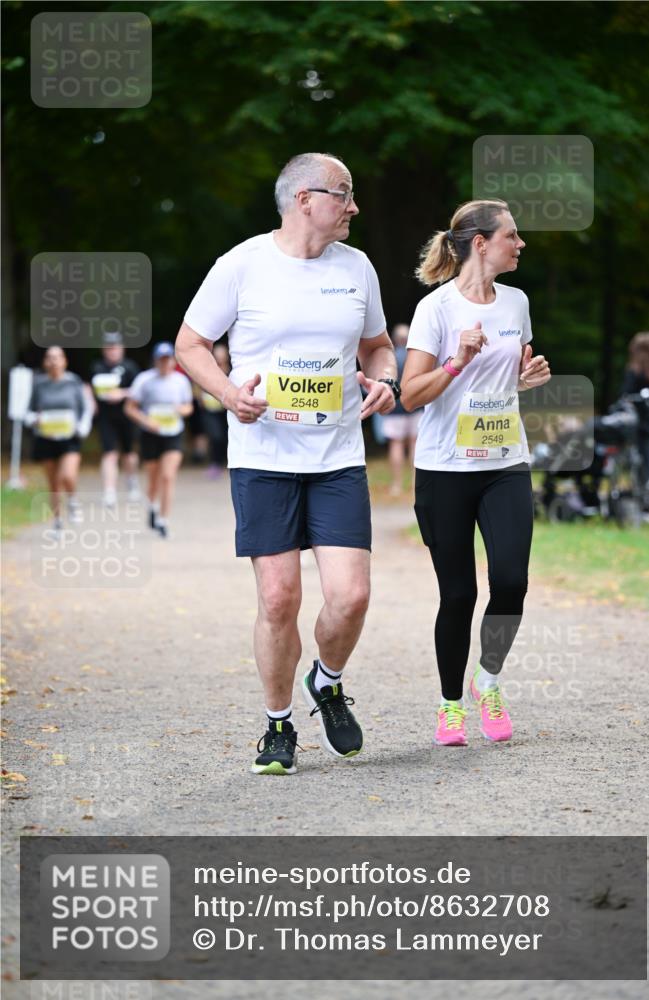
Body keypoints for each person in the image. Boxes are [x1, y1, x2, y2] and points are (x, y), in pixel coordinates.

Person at [175, 151, 398, 775]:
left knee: (350, 597)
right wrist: (226, 393)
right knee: (278, 599)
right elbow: (189, 344)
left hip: (337, 457)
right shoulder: (241, 265)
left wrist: (386, 379)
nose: (353, 206)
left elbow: (378, 347)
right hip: (262, 456)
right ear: (304, 198)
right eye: (343, 193)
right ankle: (277, 728)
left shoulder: (357, 268)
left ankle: (325, 681)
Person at [401, 199, 551, 748]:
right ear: (481, 244)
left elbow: (511, 373)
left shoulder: (516, 302)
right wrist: (455, 361)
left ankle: (487, 681)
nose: (521, 243)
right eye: (513, 235)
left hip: (505, 461)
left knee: (511, 579)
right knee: (459, 594)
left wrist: (527, 376)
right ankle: (450, 705)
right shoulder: (435, 309)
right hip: (445, 469)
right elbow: (411, 394)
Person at [124, 342, 193, 539]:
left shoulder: (181, 381)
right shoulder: (144, 380)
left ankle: (163, 520)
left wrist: (182, 410)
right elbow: (129, 408)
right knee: (153, 478)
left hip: (173, 433)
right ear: (155, 361)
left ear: (173, 360)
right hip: (150, 434)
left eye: (168, 359)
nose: (164, 363)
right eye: (161, 360)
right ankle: (152, 506)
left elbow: (189, 407)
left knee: (168, 476)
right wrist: (146, 421)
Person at [24, 345, 93, 535]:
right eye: (50, 357)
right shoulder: (39, 384)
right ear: (45, 362)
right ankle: (57, 522)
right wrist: (34, 420)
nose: (54, 361)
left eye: (57, 357)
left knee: (67, 476)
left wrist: (82, 427)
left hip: (70, 437)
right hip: (46, 437)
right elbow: (28, 411)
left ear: (64, 361)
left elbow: (85, 408)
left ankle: (72, 500)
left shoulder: (73, 382)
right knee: (53, 483)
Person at [89, 330, 141, 506]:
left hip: (127, 415)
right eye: (108, 347)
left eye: (115, 347)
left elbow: (139, 390)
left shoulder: (130, 367)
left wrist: (122, 393)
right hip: (106, 417)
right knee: (109, 453)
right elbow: (88, 388)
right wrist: (91, 403)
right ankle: (109, 491)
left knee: (129, 453)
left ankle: (131, 481)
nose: (112, 351)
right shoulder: (97, 367)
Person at [620, 331, 649, 521]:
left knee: (647, 464)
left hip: (642, 427)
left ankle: (647, 505)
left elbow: (625, 397)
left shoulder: (634, 372)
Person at [381, 323, 423, 496]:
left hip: (395, 409)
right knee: (414, 444)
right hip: (416, 407)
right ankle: (415, 483)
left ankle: (397, 485)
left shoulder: (389, 358)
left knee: (396, 444)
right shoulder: (416, 358)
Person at [198, 340, 231, 480]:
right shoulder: (208, 369)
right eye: (216, 353)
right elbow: (199, 386)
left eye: (221, 354)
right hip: (210, 410)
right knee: (215, 436)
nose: (219, 356)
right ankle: (214, 464)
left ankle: (226, 462)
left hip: (227, 410)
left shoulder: (232, 370)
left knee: (225, 437)